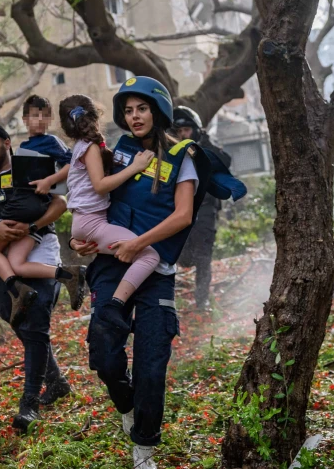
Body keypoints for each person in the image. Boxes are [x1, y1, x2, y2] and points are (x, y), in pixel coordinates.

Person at [71, 77, 212, 469]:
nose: (135, 117)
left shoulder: (183, 157)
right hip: (111, 264)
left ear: (158, 111)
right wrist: (78, 242)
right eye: (128, 110)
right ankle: (126, 405)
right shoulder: (118, 152)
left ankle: (144, 448)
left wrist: (139, 243)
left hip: (156, 269)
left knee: (151, 362)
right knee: (104, 352)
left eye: (142, 108)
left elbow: (183, 215)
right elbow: (90, 199)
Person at [0, 124, 74, 432]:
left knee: (35, 326)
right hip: (3, 266)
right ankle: (57, 382)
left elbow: (61, 203)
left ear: (7, 144)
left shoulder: (31, 167)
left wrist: (32, 227)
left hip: (38, 253)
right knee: (14, 319)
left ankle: (30, 405)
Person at [0, 97, 85, 322]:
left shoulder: (51, 141)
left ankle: (16, 291)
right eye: (34, 115)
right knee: (17, 264)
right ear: (25, 119)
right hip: (32, 210)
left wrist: (50, 180)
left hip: (29, 203)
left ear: (49, 119)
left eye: (43, 115)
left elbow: (74, 162)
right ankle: (68, 274)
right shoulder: (23, 148)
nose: (39, 120)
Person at [58, 94, 160, 312]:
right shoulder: (89, 147)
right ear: (96, 116)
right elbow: (100, 185)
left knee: (131, 255)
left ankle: (116, 301)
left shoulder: (84, 147)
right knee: (149, 255)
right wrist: (136, 166)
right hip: (91, 223)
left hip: (86, 223)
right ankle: (117, 303)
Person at [173, 106, 233, 309]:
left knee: (203, 255)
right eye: (179, 131)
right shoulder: (174, 150)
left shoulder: (206, 146)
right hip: (180, 208)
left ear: (195, 130)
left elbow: (225, 161)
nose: (183, 135)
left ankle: (201, 300)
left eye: (186, 130)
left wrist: (204, 144)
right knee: (181, 254)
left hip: (206, 208)